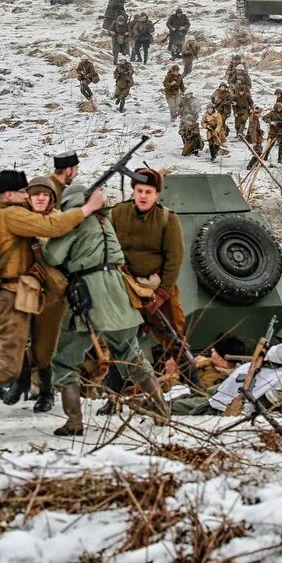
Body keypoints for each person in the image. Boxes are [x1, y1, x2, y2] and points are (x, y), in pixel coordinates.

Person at [0, 171, 102, 435]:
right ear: (8, 194)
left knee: (5, 366)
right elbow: (51, 227)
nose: (26, 196)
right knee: (8, 368)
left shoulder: (4, 214)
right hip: (10, 298)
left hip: (15, 296)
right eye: (21, 192)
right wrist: (86, 209)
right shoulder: (12, 214)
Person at [43, 185, 168, 436]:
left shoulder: (76, 221)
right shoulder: (104, 221)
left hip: (89, 294)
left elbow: (53, 256)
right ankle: (162, 410)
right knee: (131, 354)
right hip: (118, 292)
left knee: (65, 359)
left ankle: (74, 422)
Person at [110, 169, 191, 379]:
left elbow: (174, 259)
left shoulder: (167, 219)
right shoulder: (117, 213)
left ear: (156, 194)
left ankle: (192, 382)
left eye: (148, 192)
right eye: (139, 191)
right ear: (133, 191)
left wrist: (163, 293)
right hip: (125, 287)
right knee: (119, 338)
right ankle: (120, 386)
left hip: (157, 288)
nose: (143, 196)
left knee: (174, 337)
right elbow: (108, 246)